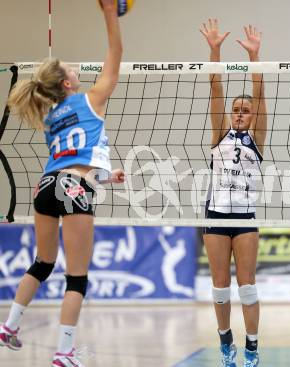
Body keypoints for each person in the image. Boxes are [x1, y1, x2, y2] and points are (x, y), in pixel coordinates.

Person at [0, 1, 124, 366]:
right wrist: (109, 15)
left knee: (42, 262)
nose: (75, 67)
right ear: (68, 83)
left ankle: (8, 327)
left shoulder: (52, 115)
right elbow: (116, 52)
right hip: (72, 190)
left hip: (45, 187)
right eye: (71, 67)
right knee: (77, 278)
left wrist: (105, 174)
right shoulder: (91, 99)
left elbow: (74, 157)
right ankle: (64, 353)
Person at [199, 18, 267, 367]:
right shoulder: (219, 136)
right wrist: (215, 49)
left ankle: (252, 347)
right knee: (220, 286)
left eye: (246, 111)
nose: (240, 114)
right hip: (215, 217)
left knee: (248, 286)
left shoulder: (257, 139)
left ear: (253, 116)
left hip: (244, 218)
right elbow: (215, 90)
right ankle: (226, 341)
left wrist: (256, 57)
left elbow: (261, 94)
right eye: (236, 111)